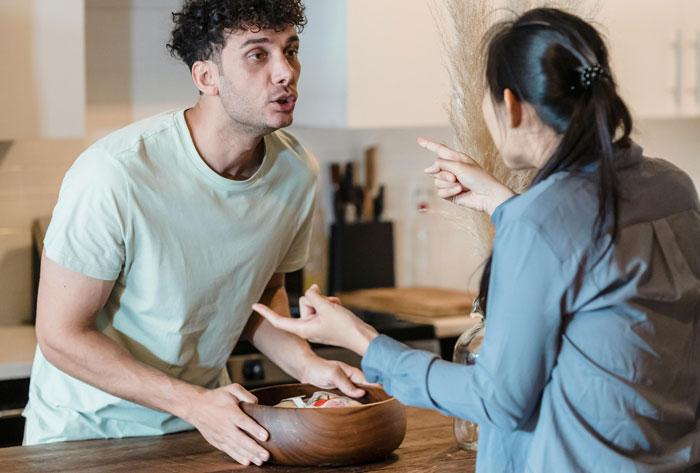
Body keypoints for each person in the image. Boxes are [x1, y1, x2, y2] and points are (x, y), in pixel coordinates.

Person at [253, 7, 700, 473]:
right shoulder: (674, 188)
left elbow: (498, 400)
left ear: (511, 104)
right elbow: (590, 265)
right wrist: (501, 201)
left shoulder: (541, 223)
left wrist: (361, 339)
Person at [23, 0, 369, 467]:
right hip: (86, 437)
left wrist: (310, 365)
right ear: (206, 77)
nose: (285, 72)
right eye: (257, 55)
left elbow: (262, 296)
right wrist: (192, 402)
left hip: (202, 432)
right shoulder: (115, 173)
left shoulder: (295, 171)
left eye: (290, 50)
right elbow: (60, 335)